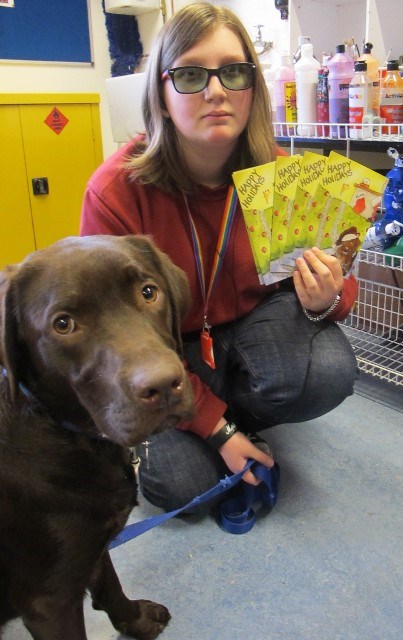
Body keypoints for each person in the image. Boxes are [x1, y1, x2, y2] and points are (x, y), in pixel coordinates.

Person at [80, 2, 358, 514]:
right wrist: (216, 428)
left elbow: (335, 283)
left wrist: (327, 297)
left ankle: (224, 418)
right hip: (157, 352)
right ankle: (203, 429)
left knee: (330, 369)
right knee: (183, 489)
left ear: (251, 87)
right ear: (161, 96)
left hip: (245, 331)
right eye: (190, 74)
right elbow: (112, 342)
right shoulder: (116, 191)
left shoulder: (280, 173)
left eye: (233, 71)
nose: (216, 91)